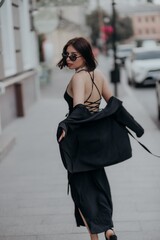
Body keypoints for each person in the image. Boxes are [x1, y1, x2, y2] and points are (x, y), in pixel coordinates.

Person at [56, 37, 144, 240]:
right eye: (65, 55)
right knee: (99, 185)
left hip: (80, 141)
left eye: (72, 55)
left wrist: (64, 125)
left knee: (81, 192)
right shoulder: (99, 74)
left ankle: (94, 238)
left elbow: (79, 109)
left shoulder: (79, 78)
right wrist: (136, 127)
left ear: (85, 55)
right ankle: (109, 229)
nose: (68, 59)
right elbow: (115, 106)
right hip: (95, 143)